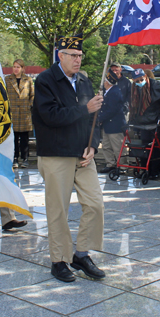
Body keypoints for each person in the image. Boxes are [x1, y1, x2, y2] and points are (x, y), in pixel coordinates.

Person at [33, 35, 105, 283]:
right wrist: (84, 109)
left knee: (95, 205)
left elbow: (95, 117)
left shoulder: (84, 80)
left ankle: (81, 254)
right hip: (56, 154)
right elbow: (50, 116)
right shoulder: (45, 80)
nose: (78, 60)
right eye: (73, 55)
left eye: (80, 56)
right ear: (60, 55)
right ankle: (59, 261)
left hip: (82, 154)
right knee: (58, 211)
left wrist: (93, 145)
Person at [129, 68, 160, 178]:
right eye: (136, 81)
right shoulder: (134, 88)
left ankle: (155, 171)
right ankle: (144, 169)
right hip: (143, 122)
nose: (139, 83)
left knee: (156, 147)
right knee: (144, 148)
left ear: (145, 76)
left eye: (141, 79)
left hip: (156, 121)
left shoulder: (155, 85)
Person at [5, 59, 34, 168]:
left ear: (22, 68)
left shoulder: (28, 80)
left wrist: (29, 106)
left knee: (24, 138)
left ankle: (25, 158)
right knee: (14, 138)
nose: (15, 69)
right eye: (14, 67)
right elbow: (4, 95)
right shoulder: (8, 79)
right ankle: (15, 158)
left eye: (18, 67)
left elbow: (32, 95)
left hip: (24, 113)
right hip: (12, 113)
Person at [99, 69, 126, 173]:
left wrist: (100, 118)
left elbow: (111, 110)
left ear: (107, 82)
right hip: (107, 124)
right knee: (106, 146)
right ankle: (110, 164)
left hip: (115, 124)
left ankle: (123, 166)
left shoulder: (115, 92)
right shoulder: (109, 92)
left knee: (118, 147)